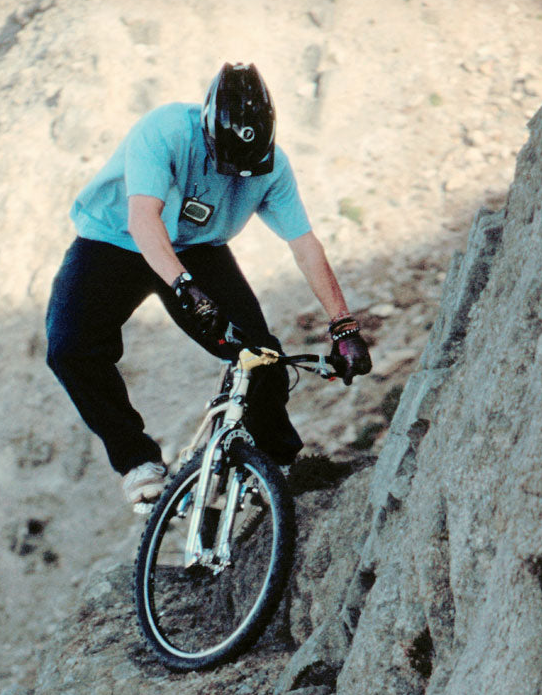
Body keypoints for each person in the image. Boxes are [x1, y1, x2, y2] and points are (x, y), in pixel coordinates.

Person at [45, 62, 371, 505]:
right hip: (115, 240)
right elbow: (144, 219)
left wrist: (344, 325)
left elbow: (305, 245)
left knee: (260, 354)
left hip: (198, 248)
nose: (234, 175)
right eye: (226, 161)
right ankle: (137, 460)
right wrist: (184, 287)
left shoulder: (274, 168)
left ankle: (276, 463)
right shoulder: (164, 131)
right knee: (70, 348)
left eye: (246, 167)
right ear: (207, 126)